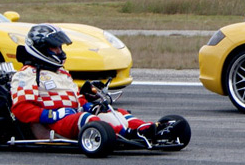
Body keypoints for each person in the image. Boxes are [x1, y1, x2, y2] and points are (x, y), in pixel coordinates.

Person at [10, 23, 153, 140]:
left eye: (60, 47)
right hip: (53, 123)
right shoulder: (27, 74)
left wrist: (91, 106)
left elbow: (77, 99)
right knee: (86, 119)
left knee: (112, 113)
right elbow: (22, 109)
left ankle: (148, 129)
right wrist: (54, 114)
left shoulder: (61, 73)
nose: (60, 51)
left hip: (72, 116)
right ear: (40, 48)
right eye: (55, 47)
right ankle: (125, 135)